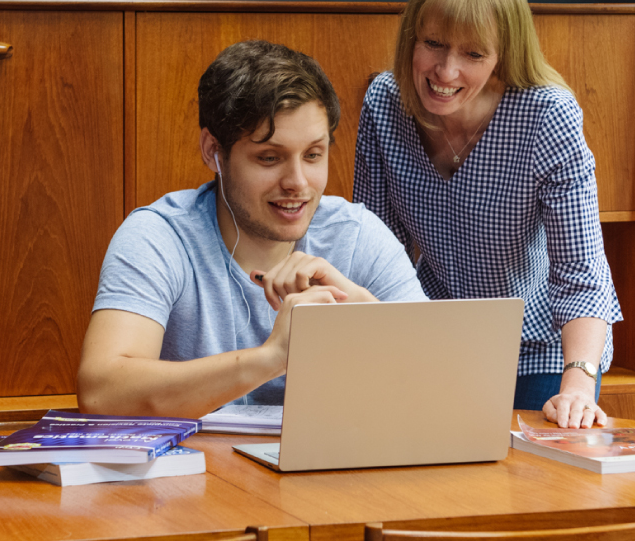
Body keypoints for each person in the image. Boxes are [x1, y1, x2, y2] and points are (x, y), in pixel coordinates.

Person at [77, 40, 426, 419]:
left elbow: (445, 382)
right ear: (214, 151)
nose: (297, 183)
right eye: (269, 158)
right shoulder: (158, 237)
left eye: (313, 155)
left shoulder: (357, 236)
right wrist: (273, 357)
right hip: (198, 474)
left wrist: (366, 315)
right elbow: (102, 392)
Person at [353, 0, 621, 429]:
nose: (446, 72)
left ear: (503, 55)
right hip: (430, 343)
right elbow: (374, 251)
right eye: (433, 43)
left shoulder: (546, 116)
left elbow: (582, 271)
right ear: (412, 36)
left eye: (473, 54)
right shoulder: (384, 105)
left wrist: (578, 383)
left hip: (542, 351)